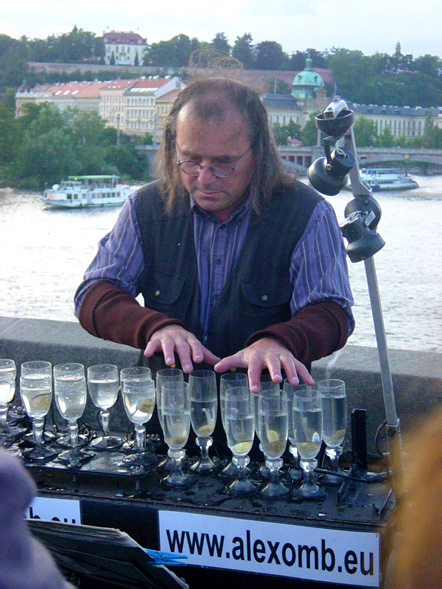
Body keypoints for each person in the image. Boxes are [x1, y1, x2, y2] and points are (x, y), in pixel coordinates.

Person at [75, 77, 354, 393]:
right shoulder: (145, 207)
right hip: (166, 417)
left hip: (267, 421)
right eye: (190, 160)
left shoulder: (307, 214)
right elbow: (93, 295)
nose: (204, 178)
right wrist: (155, 327)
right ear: (173, 146)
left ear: (259, 152)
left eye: (224, 164)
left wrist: (279, 342)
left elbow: (333, 313)